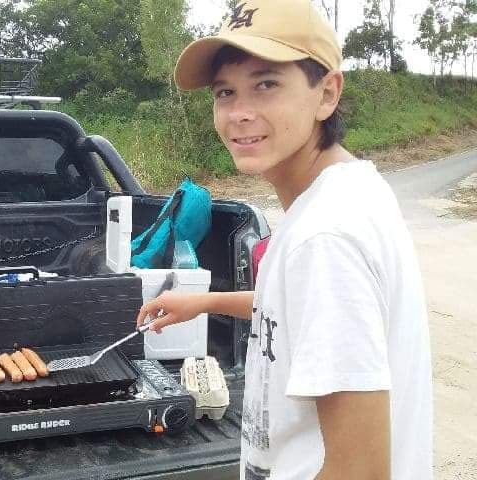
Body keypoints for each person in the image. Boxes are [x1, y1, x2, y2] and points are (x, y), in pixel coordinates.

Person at [135, 1, 433, 479]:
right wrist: (205, 303)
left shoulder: (325, 237)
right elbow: (300, 308)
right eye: (225, 92)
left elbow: (359, 472)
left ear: (327, 93)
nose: (239, 113)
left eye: (266, 84)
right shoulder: (347, 192)